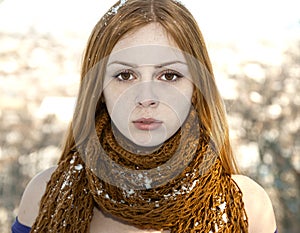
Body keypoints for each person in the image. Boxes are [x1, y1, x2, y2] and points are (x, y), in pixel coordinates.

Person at [12, 0, 277, 232]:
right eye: (125, 75)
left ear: (195, 88)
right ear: (99, 89)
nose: (146, 97)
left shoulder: (247, 206)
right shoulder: (45, 195)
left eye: (169, 75)